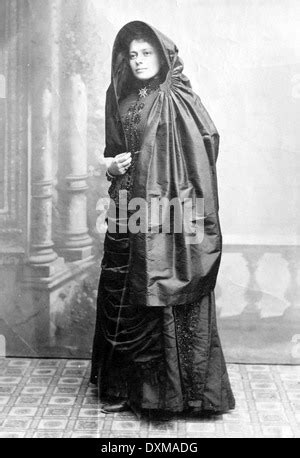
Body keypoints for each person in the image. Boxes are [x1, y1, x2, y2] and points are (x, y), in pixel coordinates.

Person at [90, 21, 235, 416]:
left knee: (159, 288)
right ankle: (123, 388)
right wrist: (112, 167)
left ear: (162, 54)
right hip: (127, 208)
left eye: (146, 53)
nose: (138, 61)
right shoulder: (118, 94)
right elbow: (114, 150)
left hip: (168, 211)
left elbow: (203, 148)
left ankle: (170, 395)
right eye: (132, 54)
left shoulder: (179, 97)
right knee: (122, 291)